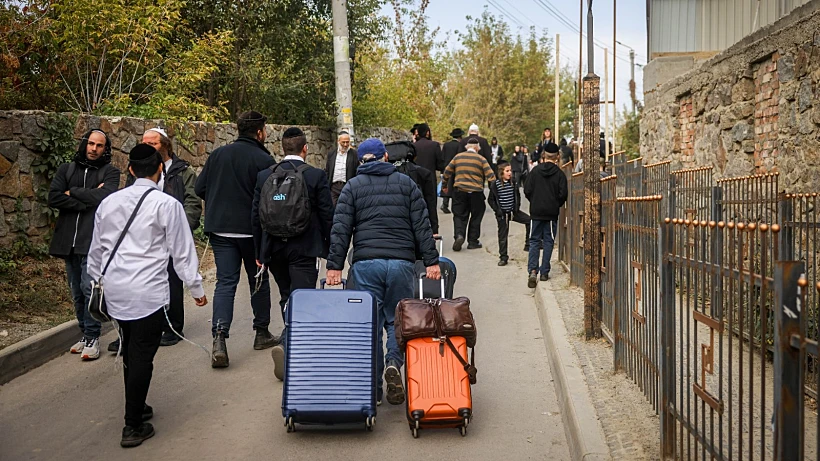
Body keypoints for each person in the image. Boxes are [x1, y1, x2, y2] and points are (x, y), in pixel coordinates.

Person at [87, 143, 207, 448]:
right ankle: (132, 425)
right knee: (142, 354)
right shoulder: (167, 205)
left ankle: (138, 405)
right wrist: (196, 289)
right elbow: (182, 254)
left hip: (115, 291)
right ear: (161, 170)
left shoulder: (109, 203)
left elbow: (96, 251)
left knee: (130, 348)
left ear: (129, 170)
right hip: (148, 293)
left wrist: (95, 282)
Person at [325, 138, 440, 406]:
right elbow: (422, 225)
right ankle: (393, 364)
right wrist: (432, 261)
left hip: (366, 264)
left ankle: (373, 390)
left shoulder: (352, 187)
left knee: (370, 325)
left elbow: (341, 229)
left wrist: (334, 266)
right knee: (397, 320)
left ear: (361, 160)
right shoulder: (406, 184)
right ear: (385, 157)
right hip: (401, 263)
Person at [195, 111, 277, 369]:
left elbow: (199, 189)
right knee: (259, 280)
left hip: (221, 230)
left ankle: (219, 338)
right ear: (260, 132)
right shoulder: (264, 159)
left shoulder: (219, 154)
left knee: (225, 283)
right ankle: (261, 332)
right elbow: (270, 196)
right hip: (252, 232)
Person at [252, 127, 334, 381]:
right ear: (305, 149)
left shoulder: (265, 175)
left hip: (274, 248)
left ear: (282, 148)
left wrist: (259, 252)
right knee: (303, 299)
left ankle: (291, 342)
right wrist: (332, 251)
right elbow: (327, 215)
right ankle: (291, 347)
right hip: (304, 247)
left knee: (287, 295)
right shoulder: (315, 176)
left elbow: (256, 216)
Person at [111, 127, 201, 351]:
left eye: (153, 144)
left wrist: (181, 228)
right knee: (136, 284)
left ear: (165, 146)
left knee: (172, 280)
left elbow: (192, 202)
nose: (148, 147)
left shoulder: (182, 171)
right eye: (145, 143)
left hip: (171, 236)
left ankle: (173, 328)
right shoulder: (137, 172)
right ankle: (127, 331)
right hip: (142, 240)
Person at [48, 129, 121, 361]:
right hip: (67, 241)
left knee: (90, 289)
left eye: (99, 145)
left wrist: (75, 192)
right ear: (84, 144)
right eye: (90, 144)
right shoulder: (66, 169)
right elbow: (54, 197)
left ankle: (93, 336)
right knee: (76, 290)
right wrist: (84, 202)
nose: (94, 149)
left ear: (105, 149)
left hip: (93, 241)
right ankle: (84, 332)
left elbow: (106, 197)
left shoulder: (110, 172)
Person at [441, 137, 497, 251]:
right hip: (476, 192)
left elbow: (447, 172)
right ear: (477, 148)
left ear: (467, 147)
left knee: (459, 215)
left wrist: (445, 186)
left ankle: (459, 235)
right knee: (476, 216)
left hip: (460, 192)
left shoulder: (458, 157)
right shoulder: (481, 159)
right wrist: (494, 191)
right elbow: (491, 176)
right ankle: (472, 241)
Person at [524, 143, 567, 288]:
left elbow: (527, 190)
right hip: (551, 214)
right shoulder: (560, 174)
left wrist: (535, 201)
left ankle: (533, 270)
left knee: (534, 241)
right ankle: (544, 272)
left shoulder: (535, 172)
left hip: (536, 212)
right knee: (548, 241)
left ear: (544, 155)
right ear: (557, 157)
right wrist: (555, 205)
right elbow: (563, 195)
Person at [386, 141, 439, 235]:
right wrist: (434, 228)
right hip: (417, 222)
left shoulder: (379, 174)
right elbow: (430, 202)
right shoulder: (422, 173)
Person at [488, 161, 531, 266]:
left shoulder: (514, 182)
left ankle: (528, 244)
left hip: (513, 212)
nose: (510, 173)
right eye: (507, 171)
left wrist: (516, 207)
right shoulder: (496, 184)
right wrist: (497, 210)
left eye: (510, 170)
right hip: (502, 214)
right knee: (503, 236)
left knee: (529, 220)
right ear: (501, 172)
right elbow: (491, 200)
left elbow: (517, 196)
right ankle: (503, 257)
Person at [324, 131, 358, 206]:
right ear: (338, 141)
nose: (345, 145)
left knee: (346, 207)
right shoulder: (332, 153)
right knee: (333, 208)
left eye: (347, 142)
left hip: (347, 186)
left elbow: (356, 171)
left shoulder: (354, 154)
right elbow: (327, 170)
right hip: (334, 187)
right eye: (343, 142)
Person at [439, 128, 463, 214]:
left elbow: (442, 156)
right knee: (455, 187)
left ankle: (445, 204)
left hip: (446, 167)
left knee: (447, 185)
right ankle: (455, 206)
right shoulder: (460, 145)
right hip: (456, 168)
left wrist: (442, 169)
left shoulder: (446, 145)